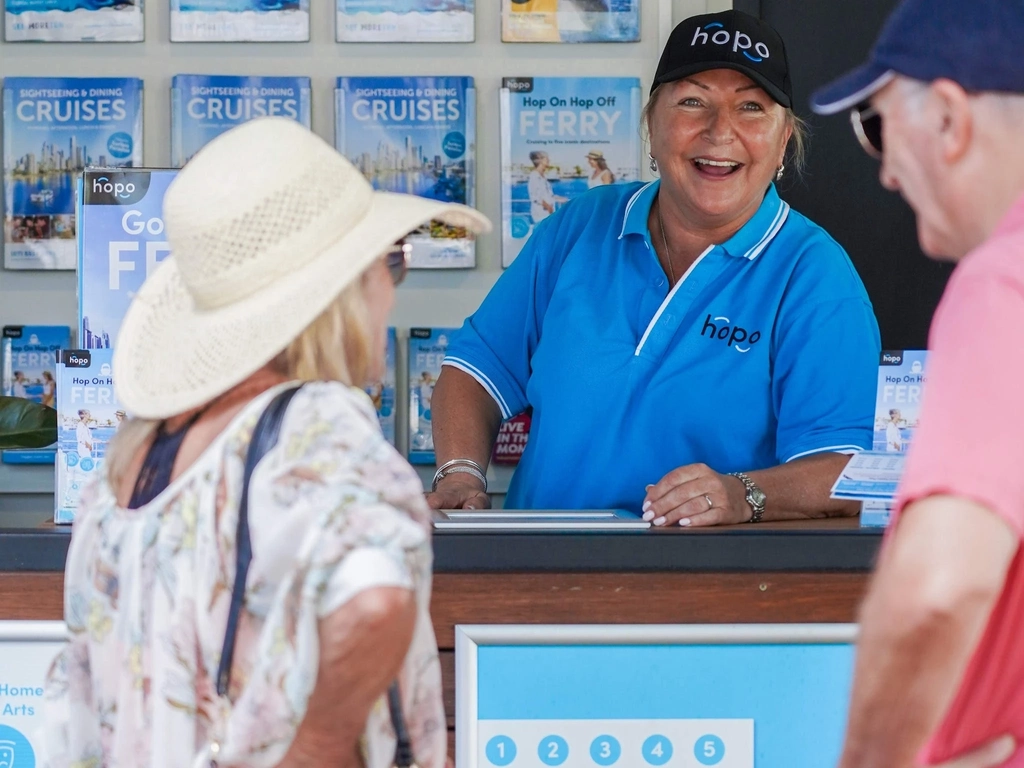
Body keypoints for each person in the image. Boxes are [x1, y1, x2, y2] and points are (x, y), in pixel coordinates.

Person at [41, 117, 489, 768]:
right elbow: (376, 598)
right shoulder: (317, 423)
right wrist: (312, 750)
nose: (394, 288)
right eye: (391, 260)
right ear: (341, 293)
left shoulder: (126, 465)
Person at [430, 10, 880, 526]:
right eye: (693, 101)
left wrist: (742, 494)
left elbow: (847, 472)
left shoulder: (813, 275)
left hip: (705, 591)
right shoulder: (582, 224)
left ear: (782, 142)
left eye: (751, 108)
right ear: (651, 125)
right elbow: (475, 371)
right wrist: (461, 475)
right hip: (537, 575)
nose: (720, 130)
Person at [810, 0, 1024, 765]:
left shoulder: (1005, 282)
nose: (886, 172)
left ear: (947, 118)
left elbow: (937, 588)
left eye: (874, 125)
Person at [527, 150, 568, 224]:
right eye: (547, 159)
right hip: (541, 215)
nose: (549, 160)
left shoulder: (542, 177)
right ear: (541, 160)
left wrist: (558, 198)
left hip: (547, 215)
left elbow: (547, 194)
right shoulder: (534, 176)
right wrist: (549, 208)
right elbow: (536, 197)